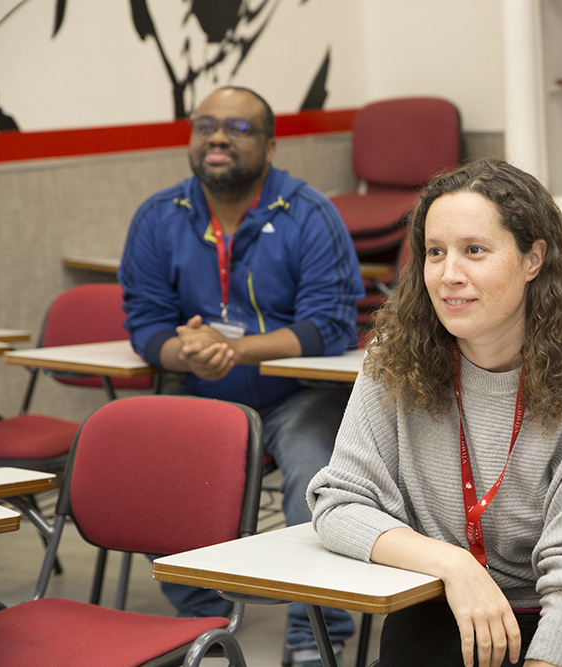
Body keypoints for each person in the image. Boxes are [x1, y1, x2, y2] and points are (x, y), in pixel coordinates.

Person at [307, 158, 562, 667]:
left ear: (533, 260)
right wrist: (453, 565)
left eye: (475, 251)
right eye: (435, 252)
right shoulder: (394, 364)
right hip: (452, 599)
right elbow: (338, 504)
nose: (449, 275)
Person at [119, 85, 363, 667]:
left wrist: (236, 350)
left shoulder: (309, 213)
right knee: (147, 459)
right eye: (205, 126)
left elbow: (330, 326)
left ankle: (317, 631)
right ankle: (202, 615)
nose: (219, 137)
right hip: (201, 392)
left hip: (300, 395)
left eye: (239, 128)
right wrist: (188, 353)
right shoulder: (158, 217)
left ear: (271, 146)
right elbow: (146, 322)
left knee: (315, 469)